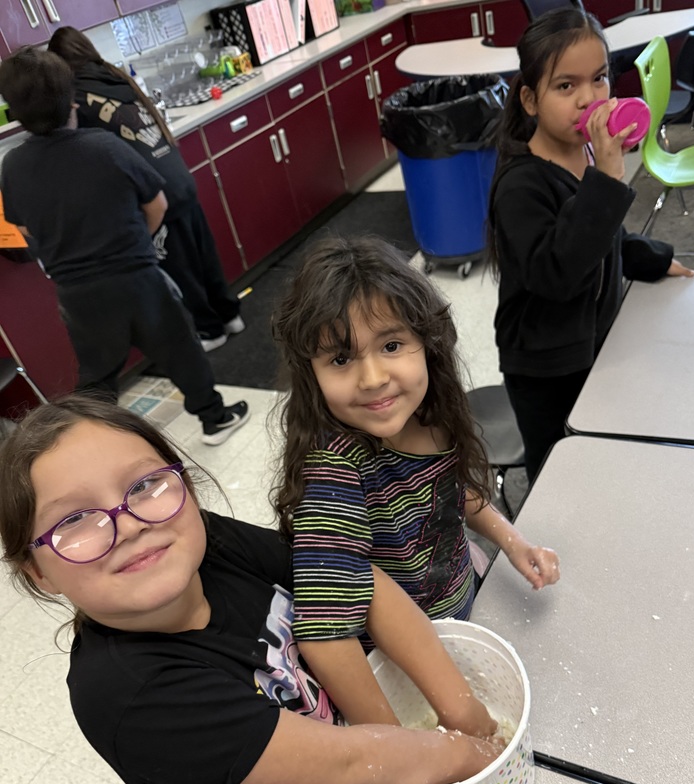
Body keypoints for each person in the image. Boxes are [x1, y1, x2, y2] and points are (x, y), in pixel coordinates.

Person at [0, 395, 506, 784]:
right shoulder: (126, 695)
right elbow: (347, 764)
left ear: (184, 487)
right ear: (38, 570)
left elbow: (357, 584)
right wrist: (468, 756)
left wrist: (467, 721)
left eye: (144, 485)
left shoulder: (203, 543)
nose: (130, 525)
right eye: (74, 520)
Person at [271, 234, 560, 729]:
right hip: (402, 667)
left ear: (428, 341)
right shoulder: (335, 472)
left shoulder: (433, 411)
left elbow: (452, 495)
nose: (372, 378)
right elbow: (326, 635)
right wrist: (395, 747)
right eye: (341, 359)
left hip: (463, 605)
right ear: (310, 373)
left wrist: (511, 541)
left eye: (391, 345)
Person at [0, 47, 248, 447]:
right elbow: (158, 204)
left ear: (14, 110)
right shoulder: (104, 146)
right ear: (71, 99)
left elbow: (24, 227)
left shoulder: (12, 165)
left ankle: (93, 442)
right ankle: (213, 418)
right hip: (135, 276)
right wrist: (138, 243)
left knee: (97, 375)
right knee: (181, 348)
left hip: (77, 293)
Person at [487, 8, 694, 481]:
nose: (589, 98)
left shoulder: (581, 154)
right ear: (530, 99)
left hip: (591, 342)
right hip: (544, 365)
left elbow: (605, 238)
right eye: (566, 86)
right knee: (562, 470)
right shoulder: (521, 185)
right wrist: (606, 176)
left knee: (603, 451)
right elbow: (558, 273)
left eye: (599, 79)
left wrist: (653, 259)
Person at [48, 26, 244, 354]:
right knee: (203, 256)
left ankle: (211, 330)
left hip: (154, 194)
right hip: (179, 178)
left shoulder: (76, 98)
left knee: (180, 268)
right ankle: (230, 316)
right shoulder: (115, 77)